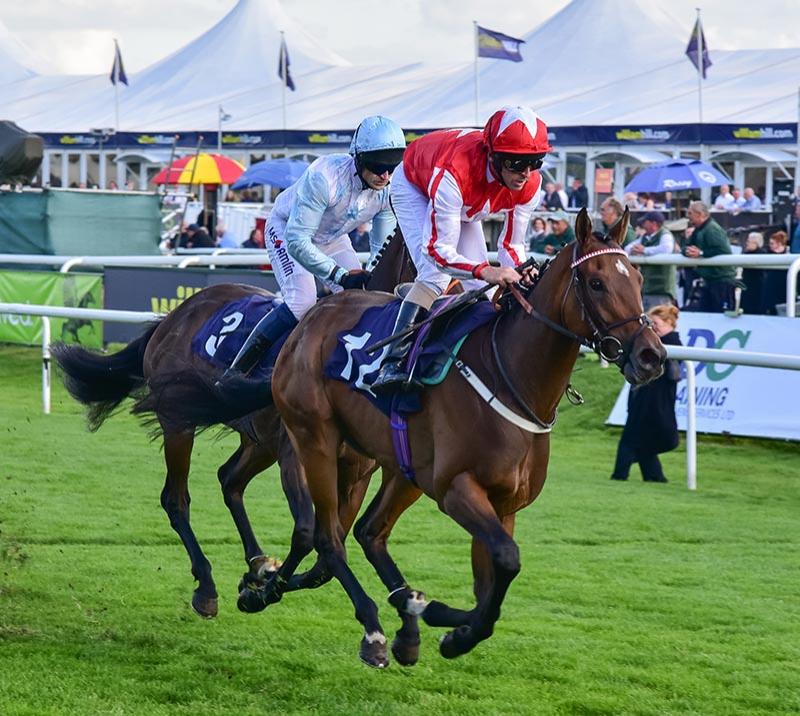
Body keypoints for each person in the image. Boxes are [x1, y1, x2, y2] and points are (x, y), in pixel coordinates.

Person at [372, 105, 550, 393]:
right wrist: (486, 269)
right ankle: (391, 361)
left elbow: (511, 245)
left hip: (469, 200)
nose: (526, 174)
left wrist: (518, 270)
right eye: (517, 164)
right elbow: (438, 252)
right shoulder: (456, 173)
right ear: (495, 157)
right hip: (417, 186)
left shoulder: (530, 185)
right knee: (435, 275)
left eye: (536, 162)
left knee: (486, 293)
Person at [217, 115, 406, 381]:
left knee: (365, 298)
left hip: (332, 237)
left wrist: (370, 276)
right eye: (377, 166)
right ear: (359, 158)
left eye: (392, 166)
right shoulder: (324, 177)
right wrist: (339, 275)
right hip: (287, 230)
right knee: (301, 301)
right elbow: (297, 241)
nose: (385, 175)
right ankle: (236, 371)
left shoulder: (388, 189)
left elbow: (380, 247)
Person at [610, 304, 682, 484]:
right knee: (641, 442)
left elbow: (674, 375)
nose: (653, 327)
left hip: (654, 400)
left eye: (656, 323)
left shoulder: (672, 343)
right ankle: (654, 477)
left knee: (632, 440)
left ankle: (620, 475)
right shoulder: (661, 341)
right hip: (648, 398)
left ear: (669, 323)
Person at [683, 201, 737, 312]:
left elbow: (723, 250)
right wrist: (688, 251)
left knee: (721, 314)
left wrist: (701, 253)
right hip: (709, 280)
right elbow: (686, 246)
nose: (688, 217)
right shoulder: (699, 229)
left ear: (699, 214)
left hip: (722, 281)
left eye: (690, 213)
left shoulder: (712, 229)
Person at [624, 210, 677, 309]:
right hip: (648, 288)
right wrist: (634, 250)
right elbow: (628, 248)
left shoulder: (666, 234)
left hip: (662, 289)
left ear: (654, 224)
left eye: (645, 222)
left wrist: (644, 250)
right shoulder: (645, 237)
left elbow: (666, 249)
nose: (643, 225)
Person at [762, 231, 789, 315]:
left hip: (784, 289)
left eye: (772, 243)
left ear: (779, 243)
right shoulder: (767, 255)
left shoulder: (789, 256)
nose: (770, 246)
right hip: (771, 290)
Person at [740, 232, 766, 315]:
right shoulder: (745, 254)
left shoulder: (762, 255)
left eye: (748, 241)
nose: (746, 243)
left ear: (756, 243)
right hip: (746, 286)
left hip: (757, 288)